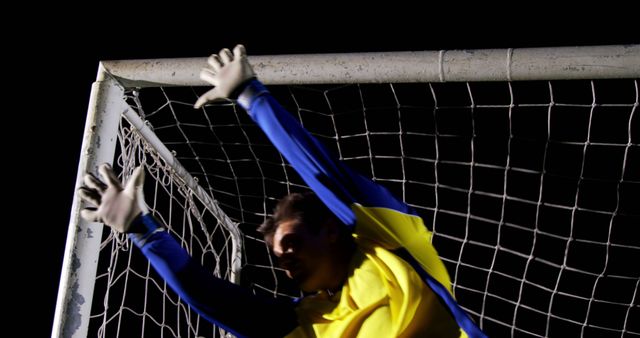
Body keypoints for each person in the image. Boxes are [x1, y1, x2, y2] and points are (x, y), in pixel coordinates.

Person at [79, 45, 486, 338]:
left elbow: (330, 180)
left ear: (330, 229)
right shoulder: (304, 322)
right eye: (276, 253)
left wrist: (252, 97)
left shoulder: (390, 246)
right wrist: (140, 228)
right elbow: (217, 301)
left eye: (290, 241)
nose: (283, 258)